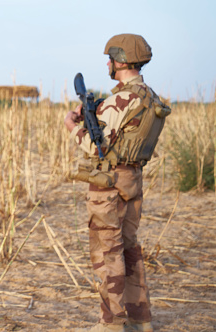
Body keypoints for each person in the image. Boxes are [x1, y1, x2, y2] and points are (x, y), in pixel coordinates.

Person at [64, 34, 170, 332]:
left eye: (111, 58)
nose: (108, 64)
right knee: (130, 250)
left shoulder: (120, 99)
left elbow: (97, 146)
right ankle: (140, 319)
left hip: (109, 183)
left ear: (121, 61)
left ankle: (111, 324)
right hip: (132, 179)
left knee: (107, 252)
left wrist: (73, 126)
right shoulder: (150, 97)